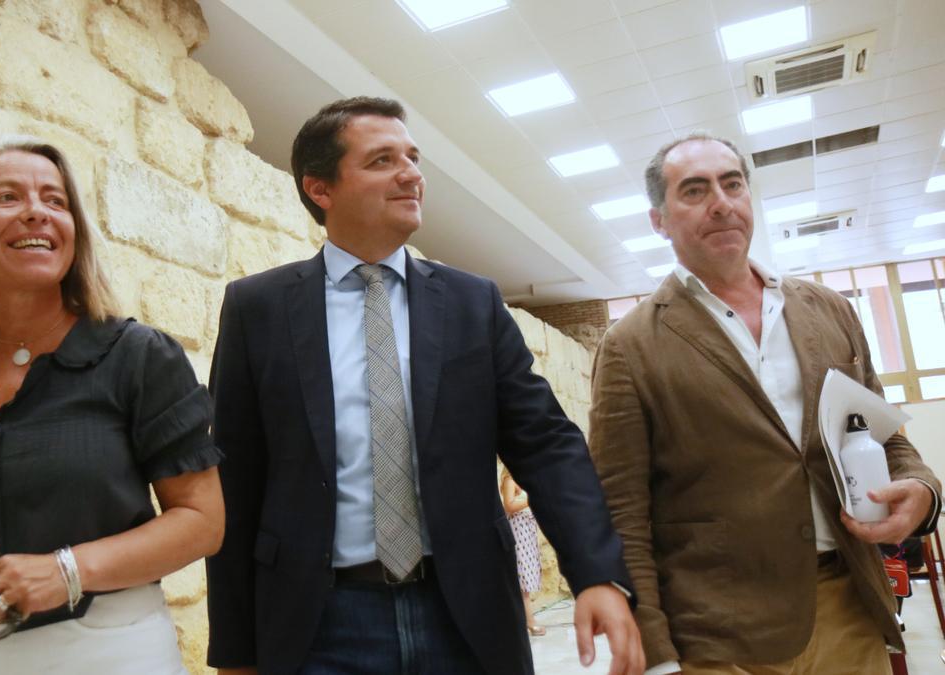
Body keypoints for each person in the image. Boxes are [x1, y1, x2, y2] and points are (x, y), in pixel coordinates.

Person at [205, 96, 643, 675]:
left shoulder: (471, 302)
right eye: (383, 159)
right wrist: (236, 652)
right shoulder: (257, 308)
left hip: (465, 616)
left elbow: (546, 444)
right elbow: (235, 482)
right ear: (320, 188)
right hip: (320, 628)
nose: (412, 174)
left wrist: (596, 572)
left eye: (412, 157)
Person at [587, 132, 941, 675]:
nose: (721, 202)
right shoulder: (631, 345)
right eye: (695, 190)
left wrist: (921, 487)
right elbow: (622, 511)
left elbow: (883, 434)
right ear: (659, 219)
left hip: (849, 609)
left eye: (733, 185)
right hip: (718, 636)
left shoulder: (829, 310)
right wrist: (657, 653)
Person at [0, 136, 225, 674]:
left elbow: (202, 521)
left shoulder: (138, 358)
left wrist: (67, 570)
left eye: (55, 201)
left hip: (107, 653)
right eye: (7, 197)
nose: (36, 212)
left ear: (73, 235)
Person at [500, 467, 547, 637]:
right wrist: (532, 500)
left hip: (527, 532)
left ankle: (523, 621)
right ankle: (530, 623)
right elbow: (509, 505)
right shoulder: (509, 480)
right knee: (522, 580)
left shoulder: (521, 479)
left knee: (525, 579)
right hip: (519, 532)